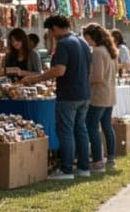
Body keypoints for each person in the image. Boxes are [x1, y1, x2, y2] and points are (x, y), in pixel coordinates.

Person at [20, 15, 91, 180]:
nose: (50, 35)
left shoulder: (64, 44)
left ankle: (66, 170)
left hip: (69, 95)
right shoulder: (82, 41)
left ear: (55, 28)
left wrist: (34, 79)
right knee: (80, 130)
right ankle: (83, 168)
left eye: (50, 32)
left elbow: (59, 70)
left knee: (66, 131)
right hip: (84, 93)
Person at [83, 23, 118, 172]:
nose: (87, 42)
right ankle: (110, 157)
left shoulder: (97, 51)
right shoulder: (110, 50)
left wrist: (84, 79)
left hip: (99, 94)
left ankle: (98, 160)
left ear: (92, 37)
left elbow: (97, 76)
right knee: (106, 126)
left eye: (87, 39)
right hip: (109, 94)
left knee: (91, 126)